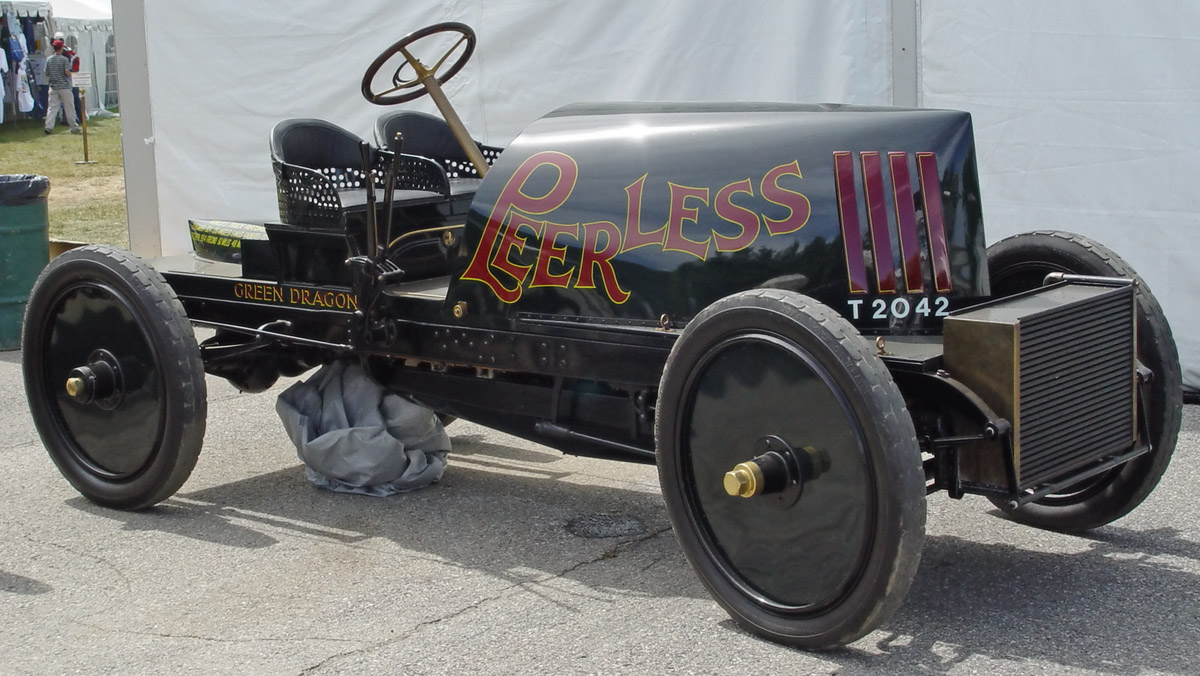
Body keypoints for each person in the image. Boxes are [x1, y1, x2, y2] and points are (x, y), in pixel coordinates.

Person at [44, 39, 81, 135]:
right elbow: (67, 73)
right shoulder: (64, 59)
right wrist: (72, 73)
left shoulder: (49, 59)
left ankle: (48, 126)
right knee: (69, 107)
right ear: (61, 48)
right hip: (64, 86)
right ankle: (73, 126)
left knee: (52, 108)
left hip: (53, 87)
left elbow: (47, 73)